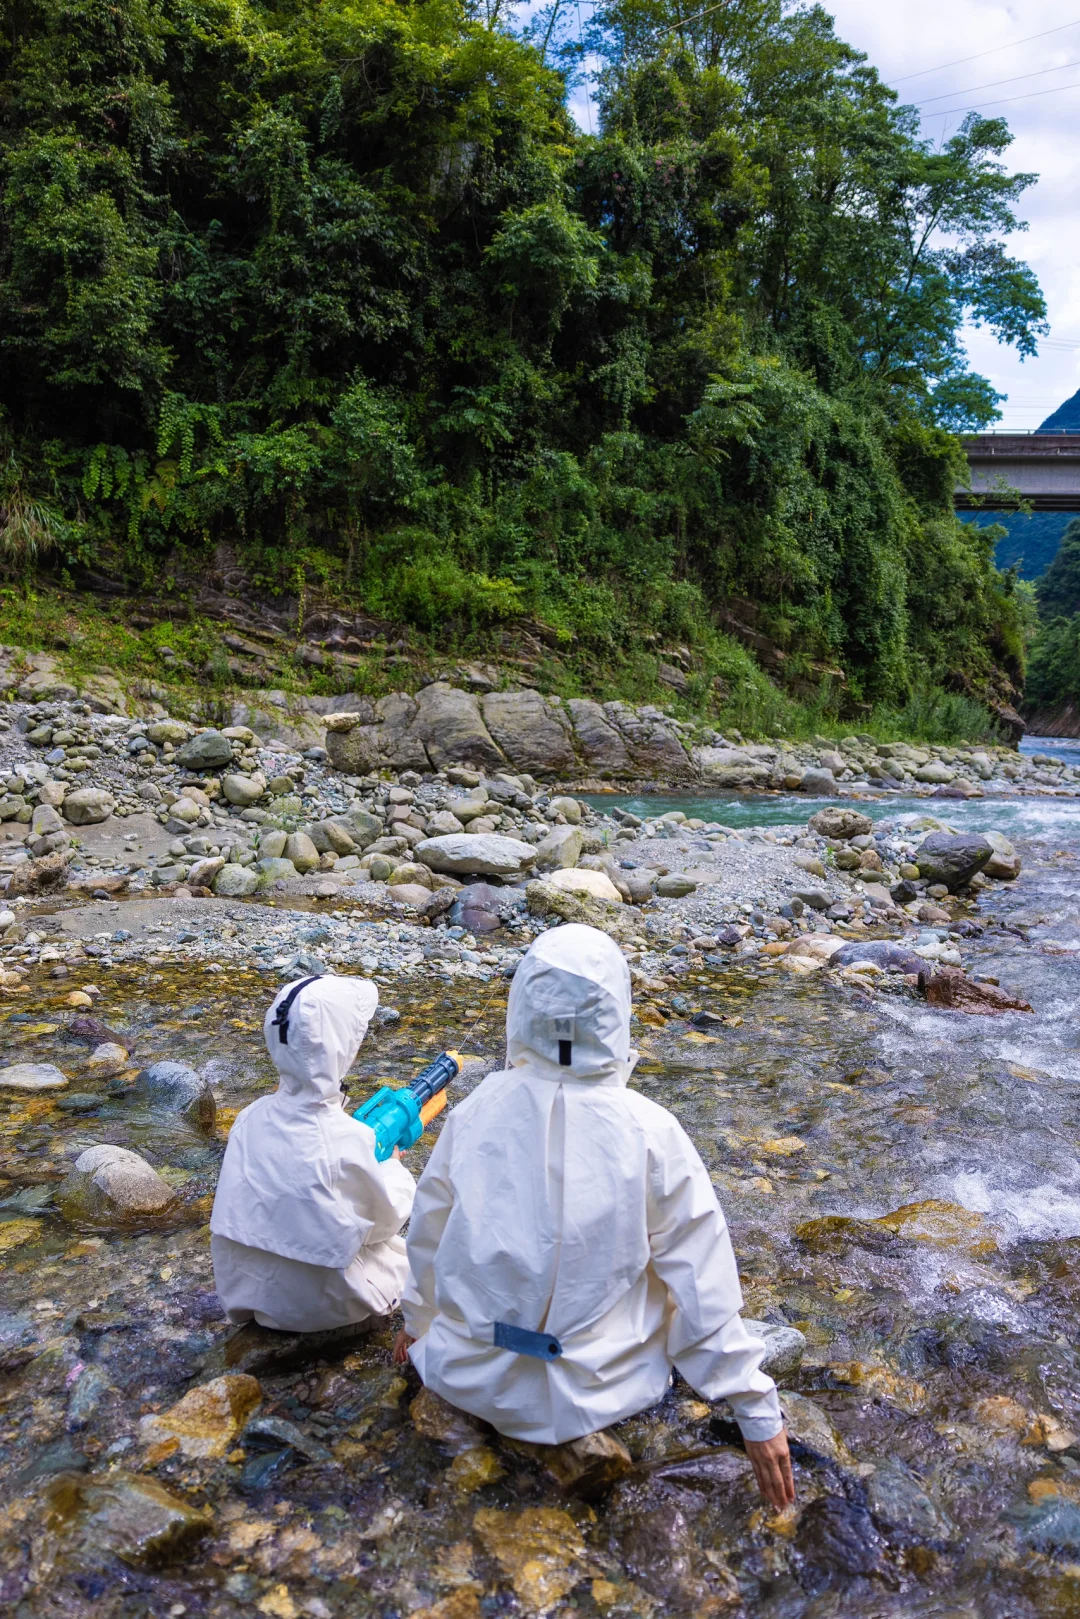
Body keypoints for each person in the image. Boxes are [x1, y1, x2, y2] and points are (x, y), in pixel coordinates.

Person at [396, 923, 794, 1509]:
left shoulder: (476, 1111)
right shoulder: (649, 1128)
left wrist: (417, 1323)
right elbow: (701, 1279)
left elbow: (427, 1236)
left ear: (522, 1008)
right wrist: (756, 1409)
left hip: (468, 1373)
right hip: (602, 1389)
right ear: (616, 1014)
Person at [211, 974, 415, 1333]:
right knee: (411, 1257)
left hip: (251, 1296)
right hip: (321, 1307)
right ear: (341, 1048)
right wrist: (395, 1170)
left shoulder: (248, 1119)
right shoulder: (345, 1137)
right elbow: (386, 1218)